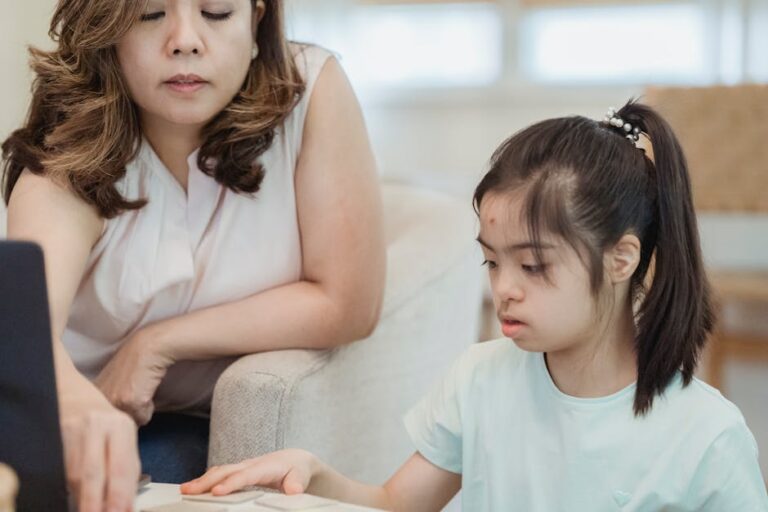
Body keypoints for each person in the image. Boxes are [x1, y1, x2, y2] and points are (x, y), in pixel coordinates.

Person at [180, 101, 768, 511]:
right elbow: (394, 505)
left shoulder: (705, 437)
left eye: (533, 265)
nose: (504, 288)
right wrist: (312, 474)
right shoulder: (479, 381)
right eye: (492, 261)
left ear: (621, 259)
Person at [2, 0, 385, 510]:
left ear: (257, 19)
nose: (185, 40)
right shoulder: (72, 146)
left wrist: (156, 344)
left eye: (217, 12)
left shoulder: (310, 89)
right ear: (107, 32)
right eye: (151, 14)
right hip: (80, 421)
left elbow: (347, 302)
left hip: (194, 425)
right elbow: (26, 329)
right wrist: (72, 403)